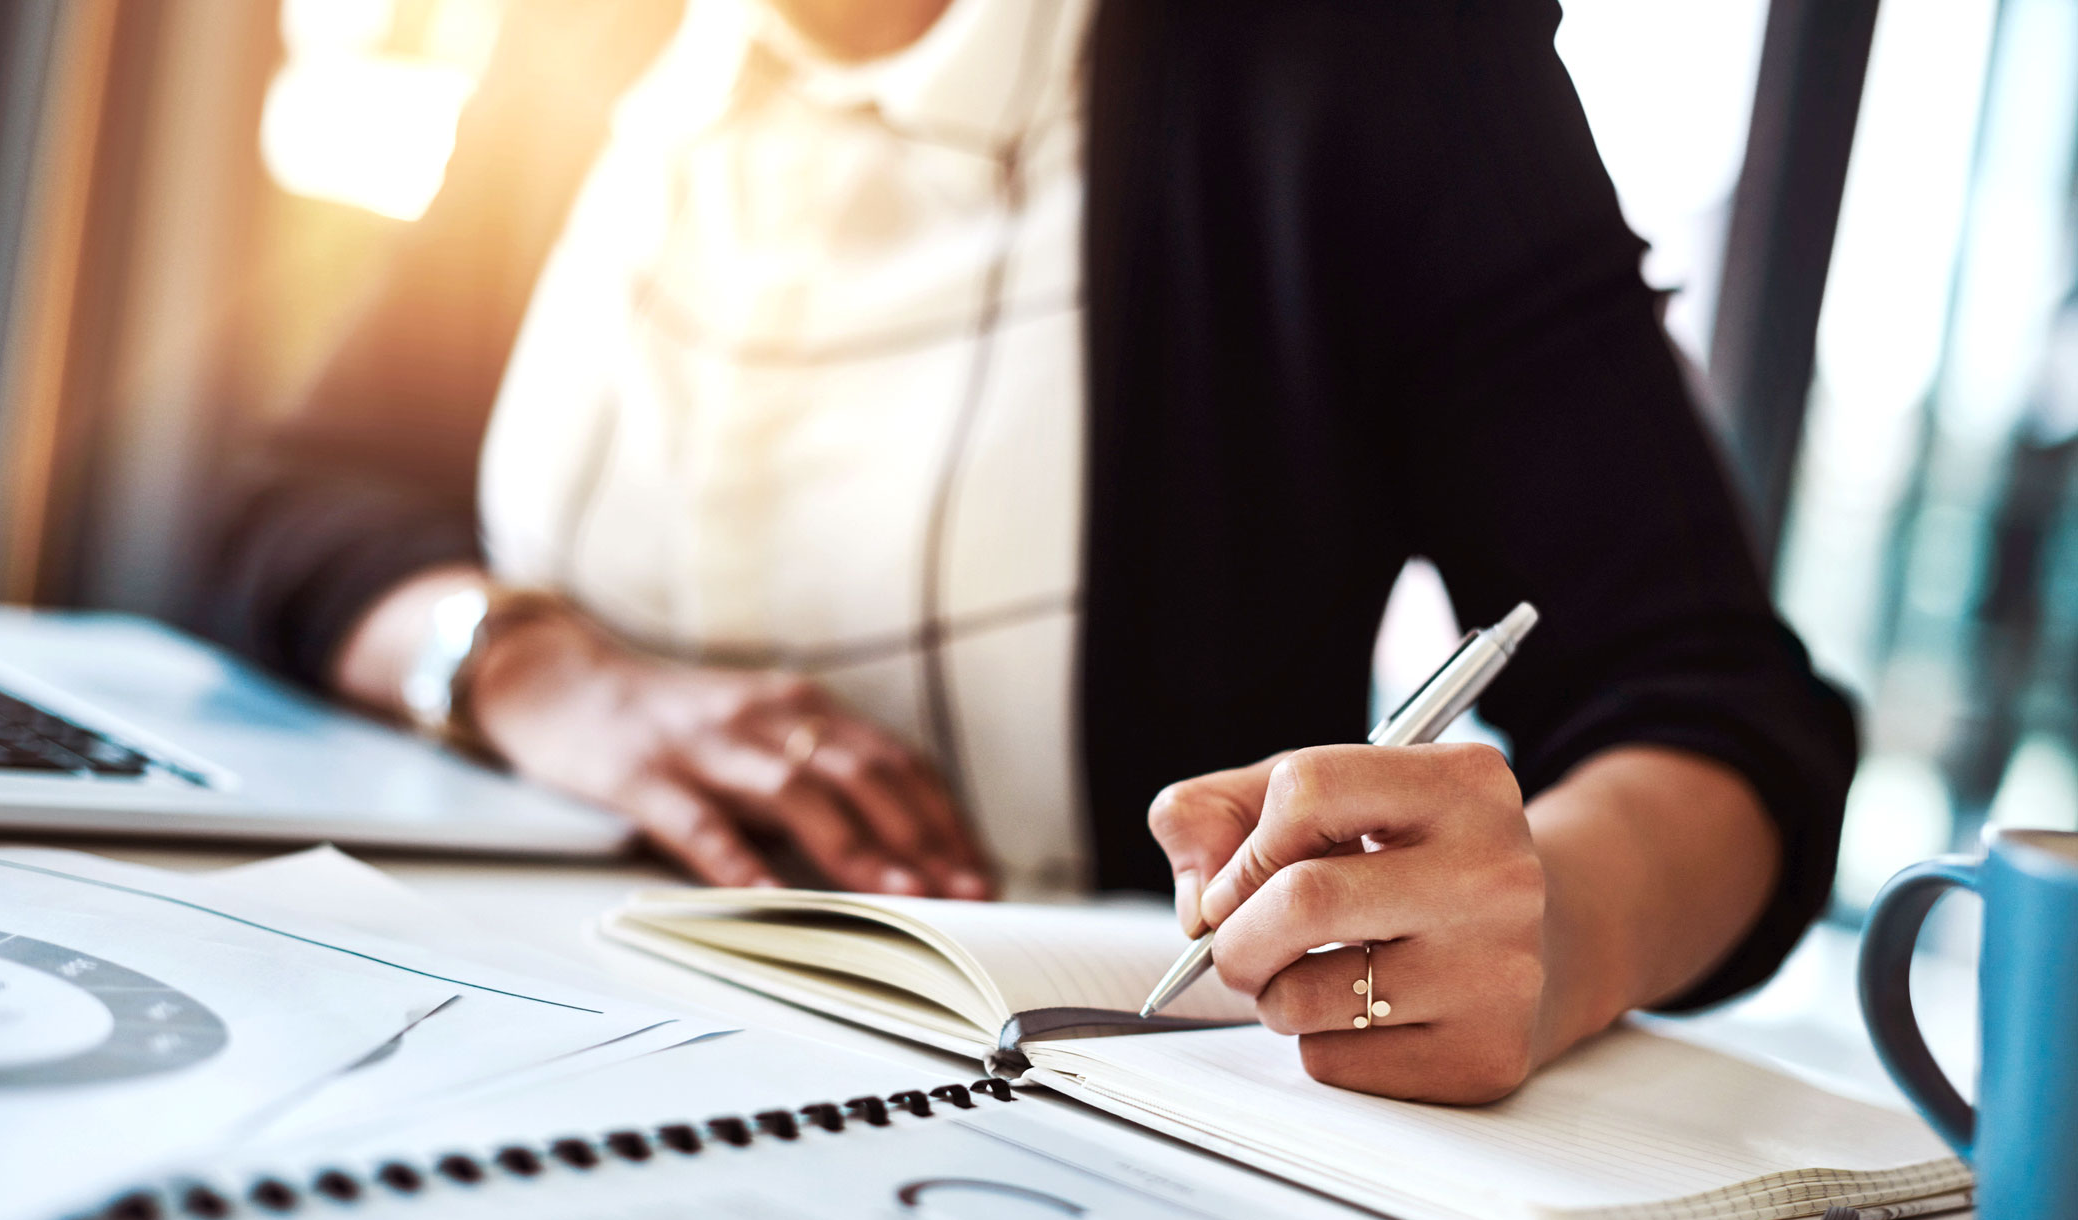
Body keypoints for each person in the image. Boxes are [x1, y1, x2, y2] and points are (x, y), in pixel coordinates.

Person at [206, 0, 1857, 1103]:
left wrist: (1554, 928)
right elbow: (288, 497)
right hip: (450, 1035)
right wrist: (551, 677)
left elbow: (1717, 713)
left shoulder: (1361, 54)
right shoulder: (593, 43)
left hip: (1039, 1123)